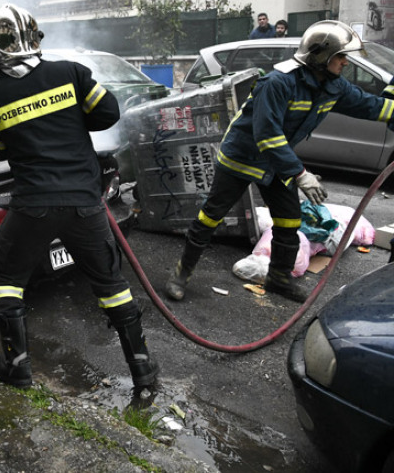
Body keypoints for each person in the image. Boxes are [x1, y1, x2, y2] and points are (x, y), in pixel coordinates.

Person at [0, 4, 159, 390]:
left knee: (5, 277)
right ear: (35, 40)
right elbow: (107, 113)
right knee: (111, 284)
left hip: (33, 205)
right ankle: (141, 367)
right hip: (85, 205)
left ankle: (17, 367)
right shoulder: (70, 73)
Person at [166, 20, 394, 303]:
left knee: (289, 220)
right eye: (341, 56)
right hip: (242, 156)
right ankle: (181, 273)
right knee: (210, 216)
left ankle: (278, 278)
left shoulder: (334, 86)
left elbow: (372, 106)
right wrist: (300, 174)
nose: (346, 63)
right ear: (321, 55)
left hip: (277, 161)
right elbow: (267, 134)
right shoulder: (278, 83)